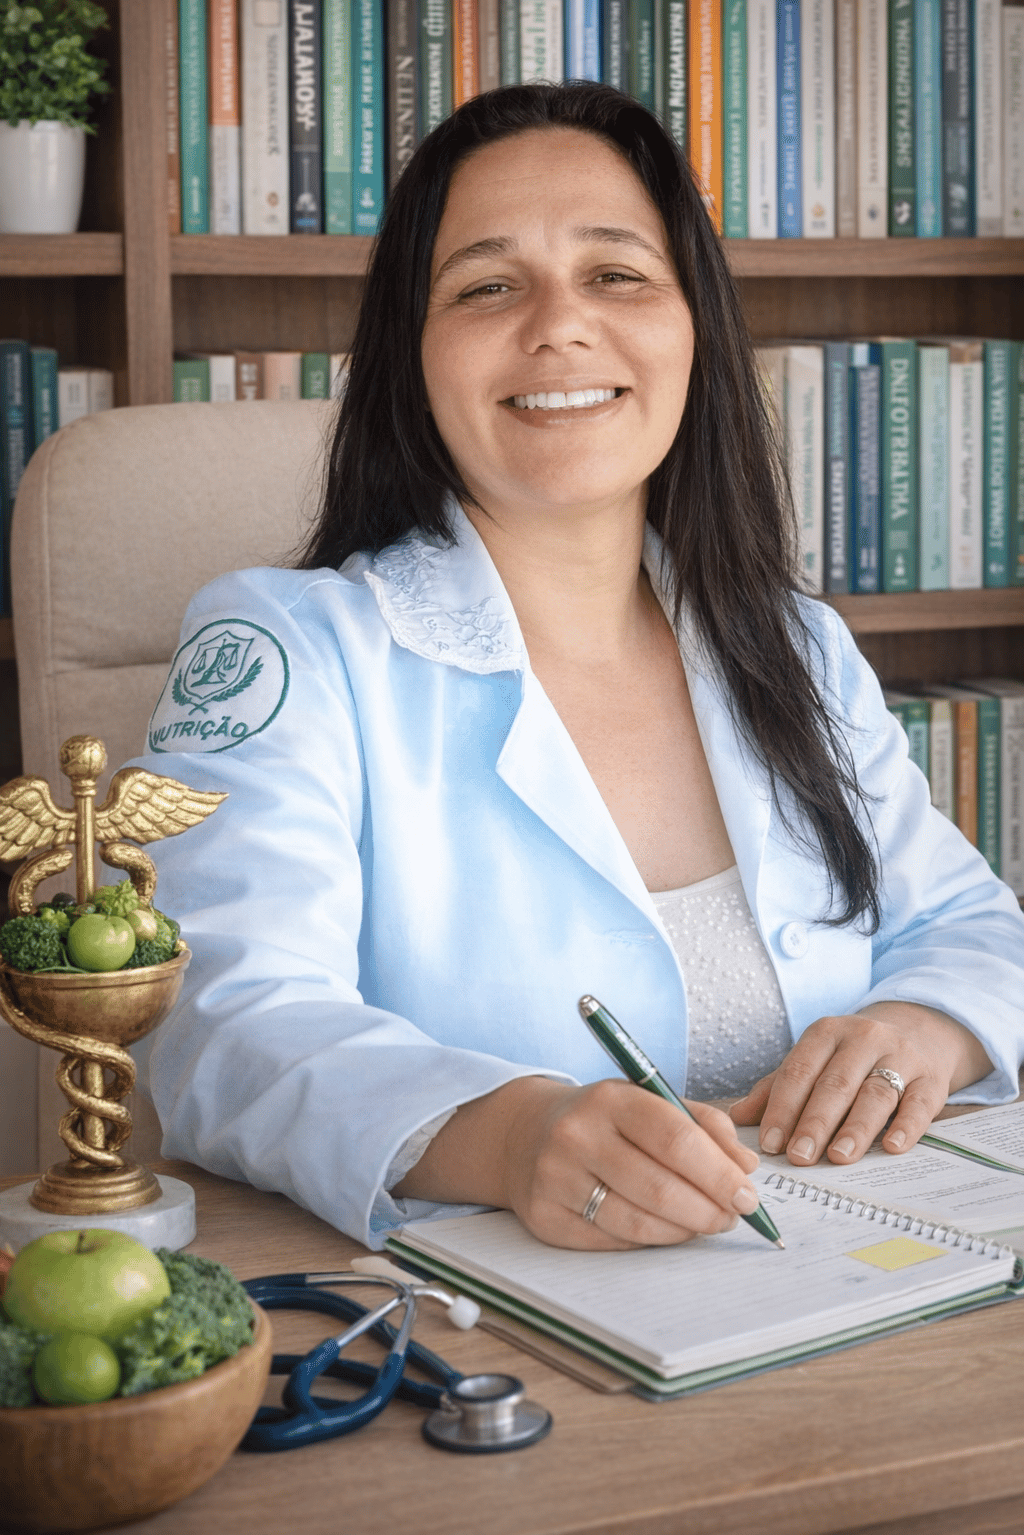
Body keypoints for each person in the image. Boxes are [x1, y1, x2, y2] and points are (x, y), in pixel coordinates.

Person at [135, 83, 1024, 1252]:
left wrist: (928, 1020)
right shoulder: (288, 648)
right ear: (412, 357)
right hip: (493, 1330)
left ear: (691, 328)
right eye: (487, 285)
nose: (559, 324)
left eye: (616, 274)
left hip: (857, 1279)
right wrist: (510, 1136)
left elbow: (968, 918)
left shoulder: (791, 641)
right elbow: (217, 1020)